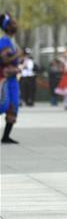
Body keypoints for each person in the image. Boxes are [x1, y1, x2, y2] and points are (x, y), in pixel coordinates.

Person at [0, 13, 22, 144]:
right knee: (3, 105)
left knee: (13, 106)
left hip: (13, 80)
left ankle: (6, 136)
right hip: (5, 80)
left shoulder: (12, 41)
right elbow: (3, 59)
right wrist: (18, 54)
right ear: (7, 27)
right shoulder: (4, 41)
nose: (16, 25)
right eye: (13, 23)